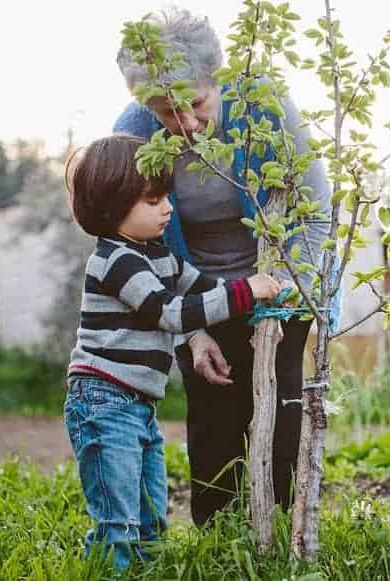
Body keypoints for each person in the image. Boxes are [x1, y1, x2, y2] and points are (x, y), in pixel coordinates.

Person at [113, 7, 337, 526]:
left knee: (278, 410)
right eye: (165, 112)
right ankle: (217, 540)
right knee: (213, 419)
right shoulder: (132, 134)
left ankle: (278, 530)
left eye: (195, 103)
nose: (184, 124)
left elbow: (315, 207)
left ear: (216, 79)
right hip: (196, 295)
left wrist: (281, 294)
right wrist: (191, 331)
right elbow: (138, 244)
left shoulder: (264, 104)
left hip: (279, 282)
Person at [62, 134, 283, 570]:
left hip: (136, 405)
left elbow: (204, 288)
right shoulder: (116, 261)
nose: (167, 208)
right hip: (103, 402)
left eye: (167, 195)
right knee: (118, 521)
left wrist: (264, 290)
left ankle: (140, 571)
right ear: (111, 205)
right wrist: (246, 292)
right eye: (151, 200)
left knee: (151, 520)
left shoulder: (158, 256)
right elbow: (171, 313)